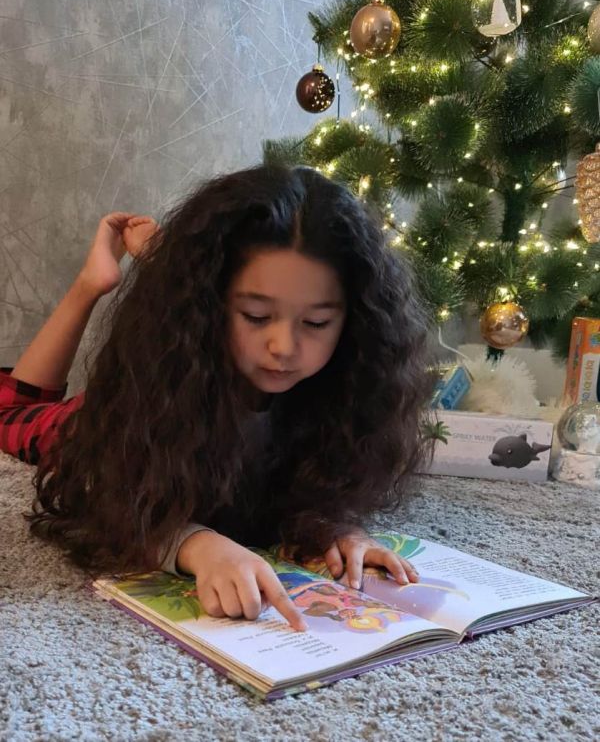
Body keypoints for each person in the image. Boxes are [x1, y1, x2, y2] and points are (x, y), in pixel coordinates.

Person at [0, 163, 433, 632]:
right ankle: (93, 282)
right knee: (10, 412)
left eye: (316, 323)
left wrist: (341, 531)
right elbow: (103, 496)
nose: (284, 347)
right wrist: (195, 544)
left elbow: (302, 492)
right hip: (93, 421)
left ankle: (160, 262)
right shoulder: (162, 384)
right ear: (209, 306)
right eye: (256, 316)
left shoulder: (344, 388)